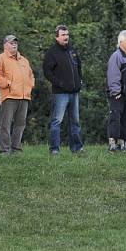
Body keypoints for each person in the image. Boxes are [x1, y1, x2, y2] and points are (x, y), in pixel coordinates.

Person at [43, 24, 85, 154]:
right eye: (63, 35)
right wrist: (60, 83)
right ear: (57, 37)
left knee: (75, 122)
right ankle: (54, 149)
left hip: (74, 92)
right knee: (56, 122)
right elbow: (47, 72)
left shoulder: (72, 50)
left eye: (67, 35)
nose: (66, 37)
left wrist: (80, 81)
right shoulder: (52, 52)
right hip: (60, 93)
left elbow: (79, 67)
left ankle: (77, 148)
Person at [0, 35, 34, 154]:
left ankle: (16, 149)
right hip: (9, 96)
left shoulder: (24, 60)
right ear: (5, 45)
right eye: (11, 43)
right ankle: (4, 150)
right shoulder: (0, 59)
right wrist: (8, 84)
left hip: (24, 96)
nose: (14, 45)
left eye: (15, 43)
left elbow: (31, 75)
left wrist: (30, 86)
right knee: (6, 124)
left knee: (20, 124)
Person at [106, 30, 126, 152]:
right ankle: (112, 145)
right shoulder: (116, 56)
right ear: (120, 42)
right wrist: (116, 92)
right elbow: (113, 75)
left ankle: (123, 144)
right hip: (118, 95)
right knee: (115, 119)